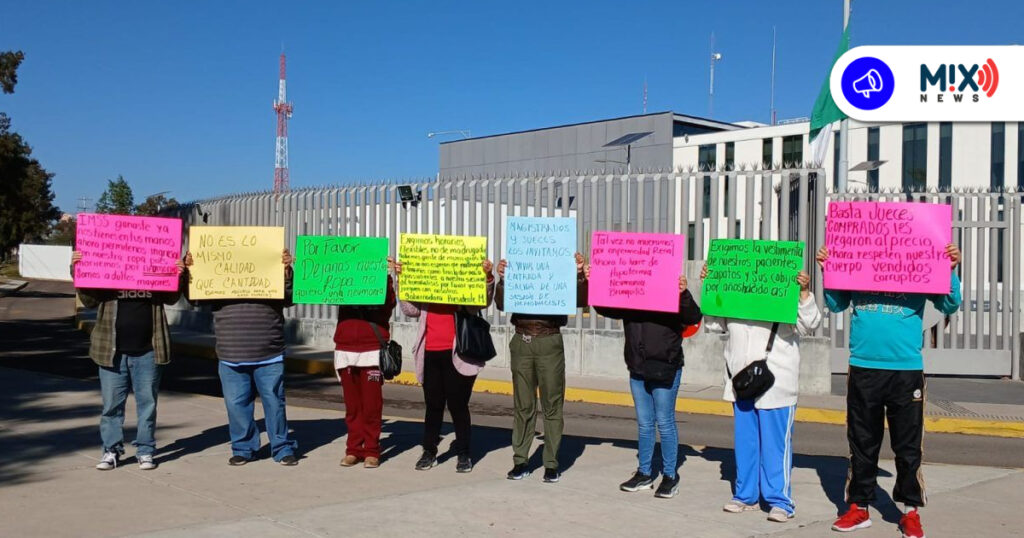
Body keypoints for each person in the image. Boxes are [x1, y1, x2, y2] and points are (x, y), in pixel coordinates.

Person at [818, 244, 962, 538]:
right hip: (863, 366)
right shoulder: (858, 260)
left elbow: (949, 305)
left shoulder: (919, 263)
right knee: (861, 441)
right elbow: (835, 304)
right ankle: (859, 507)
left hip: (906, 369)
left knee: (908, 445)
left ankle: (910, 511)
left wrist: (950, 270)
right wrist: (828, 269)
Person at [701, 266, 822, 523]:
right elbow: (712, 324)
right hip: (742, 382)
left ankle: (780, 501)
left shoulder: (782, 295)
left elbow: (809, 324)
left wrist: (803, 293)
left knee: (775, 446)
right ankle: (746, 496)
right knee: (746, 443)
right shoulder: (734, 297)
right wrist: (710, 288)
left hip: (777, 384)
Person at [591, 267, 702, 499]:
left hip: (665, 365)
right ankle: (644, 473)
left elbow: (693, 317)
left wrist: (682, 293)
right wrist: (595, 283)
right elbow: (605, 307)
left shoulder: (671, 292)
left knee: (665, 422)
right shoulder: (631, 293)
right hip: (638, 366)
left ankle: (670, 476)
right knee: (644, 423)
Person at [183, 248, 299, 466]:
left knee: (274, 403)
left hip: (269, 352)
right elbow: (195, 299)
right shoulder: (217, 272)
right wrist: (192, 271)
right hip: (231, 352)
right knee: (236, 405)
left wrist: (286, 271)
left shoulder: (273, 268)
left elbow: (291, 298)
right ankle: (243, 448)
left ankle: (282, 448)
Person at [72, 251, 186, 471]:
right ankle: (111, 450)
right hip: (111, 350)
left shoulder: (154, 266)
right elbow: (89, 301)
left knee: (147, 405)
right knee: (111, 406)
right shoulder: (108, 267)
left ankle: (145, 451)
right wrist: (78, 269)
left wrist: (178, 274)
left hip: (149, 350)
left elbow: (171, 298)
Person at [495, 252, 587, 483]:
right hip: (522, 340)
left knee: (552, 405)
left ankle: (551, 464)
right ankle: (520, 461)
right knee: (523, 405)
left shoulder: (559, 271)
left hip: (550, 340)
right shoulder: (520, 269)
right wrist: (503, 279)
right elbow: (500, 303)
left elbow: (580, 300)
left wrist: (578, 275)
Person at [397, 258, 495, 473]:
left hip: (458, 356)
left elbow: (481, 302)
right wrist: (402, 280)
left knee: (458, 406)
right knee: (433, 406)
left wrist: (487, 278)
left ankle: (464, 454)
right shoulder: (426, 288)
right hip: (430, 354)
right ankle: (429, 451)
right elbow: (409, 310)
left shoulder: (462, 288)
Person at [334, 262, 397, 469]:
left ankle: (371, 449)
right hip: (345, 349)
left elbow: (389, 304)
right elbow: (321, 289)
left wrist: (387, 276)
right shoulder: (342, 281)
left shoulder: (382, 284)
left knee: (371, 405)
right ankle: (353, 449)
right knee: (352, 406)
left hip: (371, 350)